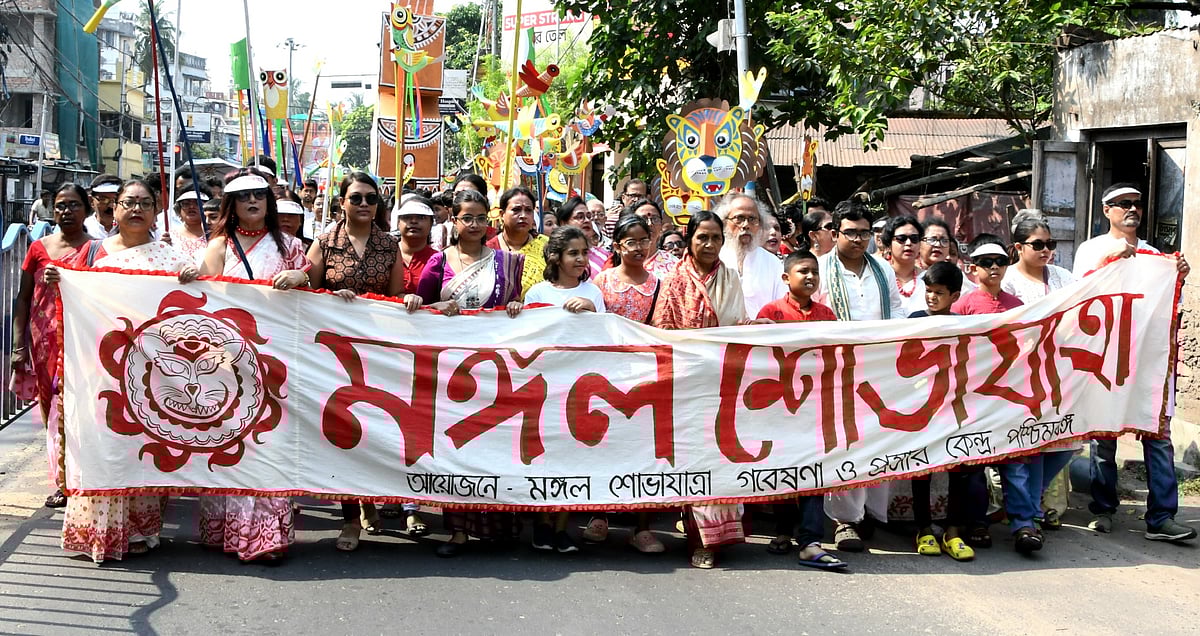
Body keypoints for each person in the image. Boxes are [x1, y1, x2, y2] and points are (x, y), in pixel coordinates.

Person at [55, 179, 199, 562]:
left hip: (149, 370)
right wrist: (60, 281)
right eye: (128, 203)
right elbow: (71, 300)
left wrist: (192, 278)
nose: (136, 209)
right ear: (114, 209)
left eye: (145, 203)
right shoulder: (91, 253)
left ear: (156, 210)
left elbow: (190, 307)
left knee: (138, 445)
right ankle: (97, 531)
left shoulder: (169, 258)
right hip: (98, 366)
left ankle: (138, 528)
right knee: (103, 445)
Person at [194, 171, 310, 563]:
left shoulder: (292, 246)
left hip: (276, 357)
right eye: (244, 197)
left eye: (259, 195)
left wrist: (301, 277)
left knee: (268, 441)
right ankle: (227, 528)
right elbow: (201, 292)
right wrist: (191, 276)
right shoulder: (219, 246)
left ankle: (265, 535)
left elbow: (314, 293)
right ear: (232, 205)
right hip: (226, 358)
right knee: (229, 440)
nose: (253, 202)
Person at [1072, 182, 1196, 542]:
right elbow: (1082, 297)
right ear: (1106, 210)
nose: (1132, 209)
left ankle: (1161, 517)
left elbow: (1165, 307)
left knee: (1157, 436)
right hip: (1107, 357)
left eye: (1137, 204)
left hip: (1145, 360)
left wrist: (1178, 277)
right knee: (1104, 435)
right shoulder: (1091, 250)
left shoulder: (1152, 254)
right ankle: (1103, 508)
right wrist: (1112, 262)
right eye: (1124, 203)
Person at [416, 190, 525, 558]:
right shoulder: (438, 262)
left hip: (495, 367)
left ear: (488, 220)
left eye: (480, 218)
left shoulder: (507, 262)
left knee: (495, 444)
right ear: (456, 222)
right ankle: (458, 531)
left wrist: (516, 305)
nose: (475, 225)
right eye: (467, 218)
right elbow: (419, 309)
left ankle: (498, 527)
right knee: (455, 446)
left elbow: (518, 303)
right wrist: (436, 306)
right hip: (450, 371)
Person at [306, 171, 408, 552]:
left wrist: (399, 303)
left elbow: (398, 298)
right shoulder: (325, 243)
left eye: (371, 199)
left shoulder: (388, 246)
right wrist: (331, 298)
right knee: (345, 433)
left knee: (378, 428)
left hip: (378, 352)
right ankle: (350, 518)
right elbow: (308, 290)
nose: (364, 204)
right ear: (342, 203)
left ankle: (371, 497)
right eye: (357, 198)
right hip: (334, 354)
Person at [652, 211, 751, 569]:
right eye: (702, 237)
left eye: (715, 238)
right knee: (695, 464)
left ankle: (722, 537)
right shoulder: (674, 281)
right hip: (687, 384)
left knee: (723, 459)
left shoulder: (730, 279)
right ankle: (700, 541)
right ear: (689, 238)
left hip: (725, 381)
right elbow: (662, 333)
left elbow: (739, 327)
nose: (709, 245)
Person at [813, 198, 902, 552]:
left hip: (880, 366)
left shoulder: (883, 270)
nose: (858, 239)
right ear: (835, 233)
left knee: (879, 436)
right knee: (843, 439)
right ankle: (842, 520)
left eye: (865, 233)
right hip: (835, 369)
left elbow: (896, 309)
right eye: (850, 233)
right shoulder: (820, 268)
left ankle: (870, 514)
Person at [756, 250, 847, 570]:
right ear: (786, 278)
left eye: (814, 272)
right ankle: (782, 531)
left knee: (813, 472)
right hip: (780, 404)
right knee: (783, 468)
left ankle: (810, 540)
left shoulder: (826, 315)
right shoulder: (772, 313)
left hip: (814, 406)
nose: (810, 277)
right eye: (803, 271)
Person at [951, 233, 1039, 553]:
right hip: (974, 396)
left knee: (1015, 462)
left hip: (1009, 396)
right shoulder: (963, 305)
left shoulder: (1017, 306)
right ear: (973, 269)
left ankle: (1024, 525)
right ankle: (977, 522)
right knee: (974, 464)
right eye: (986, 263)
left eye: (1000, 262)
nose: (994, 268)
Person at [522, 225, 607, 554]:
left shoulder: (594, 293)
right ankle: (541, 524)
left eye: (585, 253)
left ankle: (561, 526)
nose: (581, 259)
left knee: (571, 454)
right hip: (545, 386)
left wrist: (590, 309)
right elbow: (528, 339)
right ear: (555, 257)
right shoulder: (538, 294)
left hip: (579, 385)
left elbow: (604, 337)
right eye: (574, 253)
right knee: (545, 454)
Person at [10, 184, 94, 510]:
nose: (66, 212)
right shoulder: (39, 248)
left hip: (84, 340)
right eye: (60, 206)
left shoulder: (98, 250)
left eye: (73, 205)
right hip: (44, 341)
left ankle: (84, 477)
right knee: (53, 412)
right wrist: (19, 347)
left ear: (86, 210)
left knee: (82, 411)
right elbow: (22, 297)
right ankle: (61, 481)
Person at [586, 214, 667, 553]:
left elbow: (663, 328)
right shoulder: (602, 281)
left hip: (646, 375)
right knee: (603, 443)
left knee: (644, 449)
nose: (637, 247)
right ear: (617, 246)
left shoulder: (661, 283)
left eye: (643, 240)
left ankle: (642, 525)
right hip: (607, 375)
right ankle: (599, 514)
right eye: (630, 241)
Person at [1001, 217, 1080, 530]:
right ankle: (1029, 510)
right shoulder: (1007, 281)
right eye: (1038, 244)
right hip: (1022, 372)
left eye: (1051, 244)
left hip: (1062, 370)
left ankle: (1032, 501)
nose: (1046, 250)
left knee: (1068, 441)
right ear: (1019, 247)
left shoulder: (1064, 276)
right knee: (1032, 442)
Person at [907, 262, 986, 561]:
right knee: (920, 469)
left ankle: (953, 531)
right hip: (920, 407)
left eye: (938, 293)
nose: (931, 298)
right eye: (928, 291)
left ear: (954, 296)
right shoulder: (912, 321)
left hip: (954, 407)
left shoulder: (964, 326)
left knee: (958, 469)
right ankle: (923, 528)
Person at [715, 193, 786, 317]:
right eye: (739, 218)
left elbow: (782, 305)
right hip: (722, 334)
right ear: (725, 222)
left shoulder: (772, 263)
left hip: (763, 332)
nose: (746, 225)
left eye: (752, 219)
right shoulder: (715, 258)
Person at [487, 186, 547, 298]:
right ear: (501, 214)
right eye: (516, 210)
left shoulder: (547, 245)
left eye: (528, 210)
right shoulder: (489, 250)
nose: (523, 216)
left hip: (540, 312)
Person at [882, 215, 927, 315]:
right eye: (901, 238)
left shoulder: (928, 278)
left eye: (914, 238)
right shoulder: (880, 277)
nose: (908, 243)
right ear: (889, 245)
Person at [555, 196, 608, 277]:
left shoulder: (605, 256)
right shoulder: (556, 258)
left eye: (589, 217)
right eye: (580, 217)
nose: (587, 220)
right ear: (563, 223)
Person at [626, 199, 679, 279]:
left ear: (661, 226)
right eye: (643, 219)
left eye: (655, 219)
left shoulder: (675, 264)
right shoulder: (620, 259)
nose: (650, 224)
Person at [168, 182, 211, 261]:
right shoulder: (170, 236)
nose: (191, 207)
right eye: (186, 204)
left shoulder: (215, 235)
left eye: (197, 203)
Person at [85, 175, 122, 239]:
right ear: (91, 201)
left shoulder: (130, 229)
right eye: (103, 200)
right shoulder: (83, 229)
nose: (111, 206)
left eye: (115, 200)